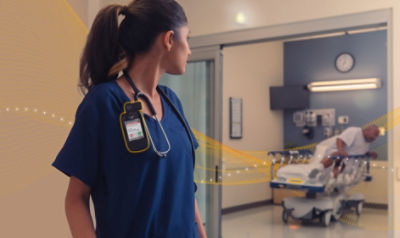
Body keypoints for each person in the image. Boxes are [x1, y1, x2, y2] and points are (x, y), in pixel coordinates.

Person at [52, 1, 207, 237]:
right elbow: (76, 199)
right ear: (169, 39)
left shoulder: (173, 102)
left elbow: (186, 189)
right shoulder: (104, 103)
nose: (189, 50)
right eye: (188, 39)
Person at [312, 125, 379, 174]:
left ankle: (334, 183)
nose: (375, 138)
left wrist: (370, 154)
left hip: (347, 160)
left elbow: (361, 151)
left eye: (377, 136)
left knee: (341, 168)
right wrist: (341, 150)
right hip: (336, 153)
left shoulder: (368, 141)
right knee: (338, 156)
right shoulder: (354, 131)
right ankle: (318, 169)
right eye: (375, 134)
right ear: (367, 130)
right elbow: (340, 139)